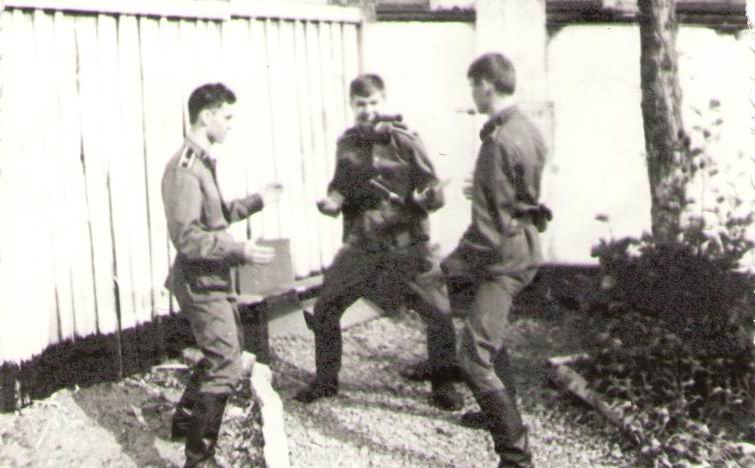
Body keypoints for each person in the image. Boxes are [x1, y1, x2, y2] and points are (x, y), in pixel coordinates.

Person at [294, 74, 462, 411]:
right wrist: (332, 201)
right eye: (361, 104)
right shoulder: (347, 143)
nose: (367, 110)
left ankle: (444, 384)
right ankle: (326, 381)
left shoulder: (405, 141)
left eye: (373, 103)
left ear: (383, 102)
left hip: (406, 244)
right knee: (325, 308)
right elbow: (340, 185)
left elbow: (434, 189)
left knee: (439, 313)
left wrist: (427, 197)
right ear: (351, 105)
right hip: (363, 244)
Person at [162, 82, 283, 468]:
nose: (231, 124)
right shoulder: (184, 169)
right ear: (206, 115)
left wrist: (257, 201)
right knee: (227, 365)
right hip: (200, 282)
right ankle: (199, 460)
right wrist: (239, 250)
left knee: (224, 353)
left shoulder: (201, 163)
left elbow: (213, 217)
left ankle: (184, 422)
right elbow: (187, 238)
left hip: (213, 278)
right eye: (227, 117)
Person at [441, 53, 550, 468]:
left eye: (474, 85)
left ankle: (516, 456)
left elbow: (487, 231)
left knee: (473, 356)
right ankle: (501, 416)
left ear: (486, 85)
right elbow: (521, 191)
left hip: (503, 256)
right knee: (492, 335)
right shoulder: (527, 129)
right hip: (523, 244)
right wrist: (489, 189)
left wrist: (449, 266)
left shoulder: (498, 141)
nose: (472, 94)